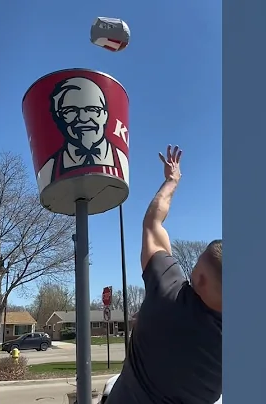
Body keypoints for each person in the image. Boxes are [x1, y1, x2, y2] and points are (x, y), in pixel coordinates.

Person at [105, 145, 222, 404]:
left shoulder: (168, 296)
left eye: (198, 263)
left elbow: (153, 224)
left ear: (200, 279)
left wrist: (171, 181)